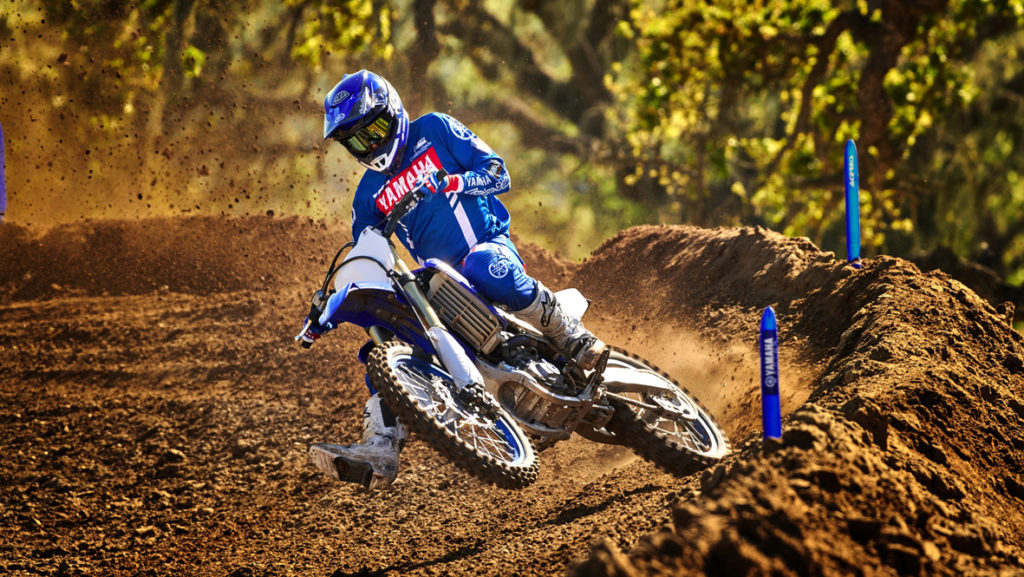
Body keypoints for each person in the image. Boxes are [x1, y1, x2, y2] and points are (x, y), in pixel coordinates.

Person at [302, 69, 606, 490]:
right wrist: (329, 305)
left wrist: (454, 182)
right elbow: (367, 254)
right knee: (385, 339)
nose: (369, 145)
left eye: (373, 130)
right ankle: (381, 446)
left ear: (392, 112)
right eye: (355, 141)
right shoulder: (368, 195)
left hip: (486, 245)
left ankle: (569, 333)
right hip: (440, 282)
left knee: (483, 264)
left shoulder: (435, 129)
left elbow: (499, 173)